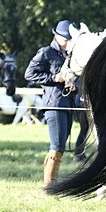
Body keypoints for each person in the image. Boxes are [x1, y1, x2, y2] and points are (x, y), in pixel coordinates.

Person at [24, 20, 76, 186]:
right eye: (65, 39)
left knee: (61, 145)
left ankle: (51, 180)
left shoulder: (72, 54)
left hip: (68, 103)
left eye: (70, 39)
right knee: (57, 145)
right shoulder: (46, 52)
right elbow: (29, 74)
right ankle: (49, 184)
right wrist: (54, 78)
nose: (67, 42)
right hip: (54, 103)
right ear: (56, 36)